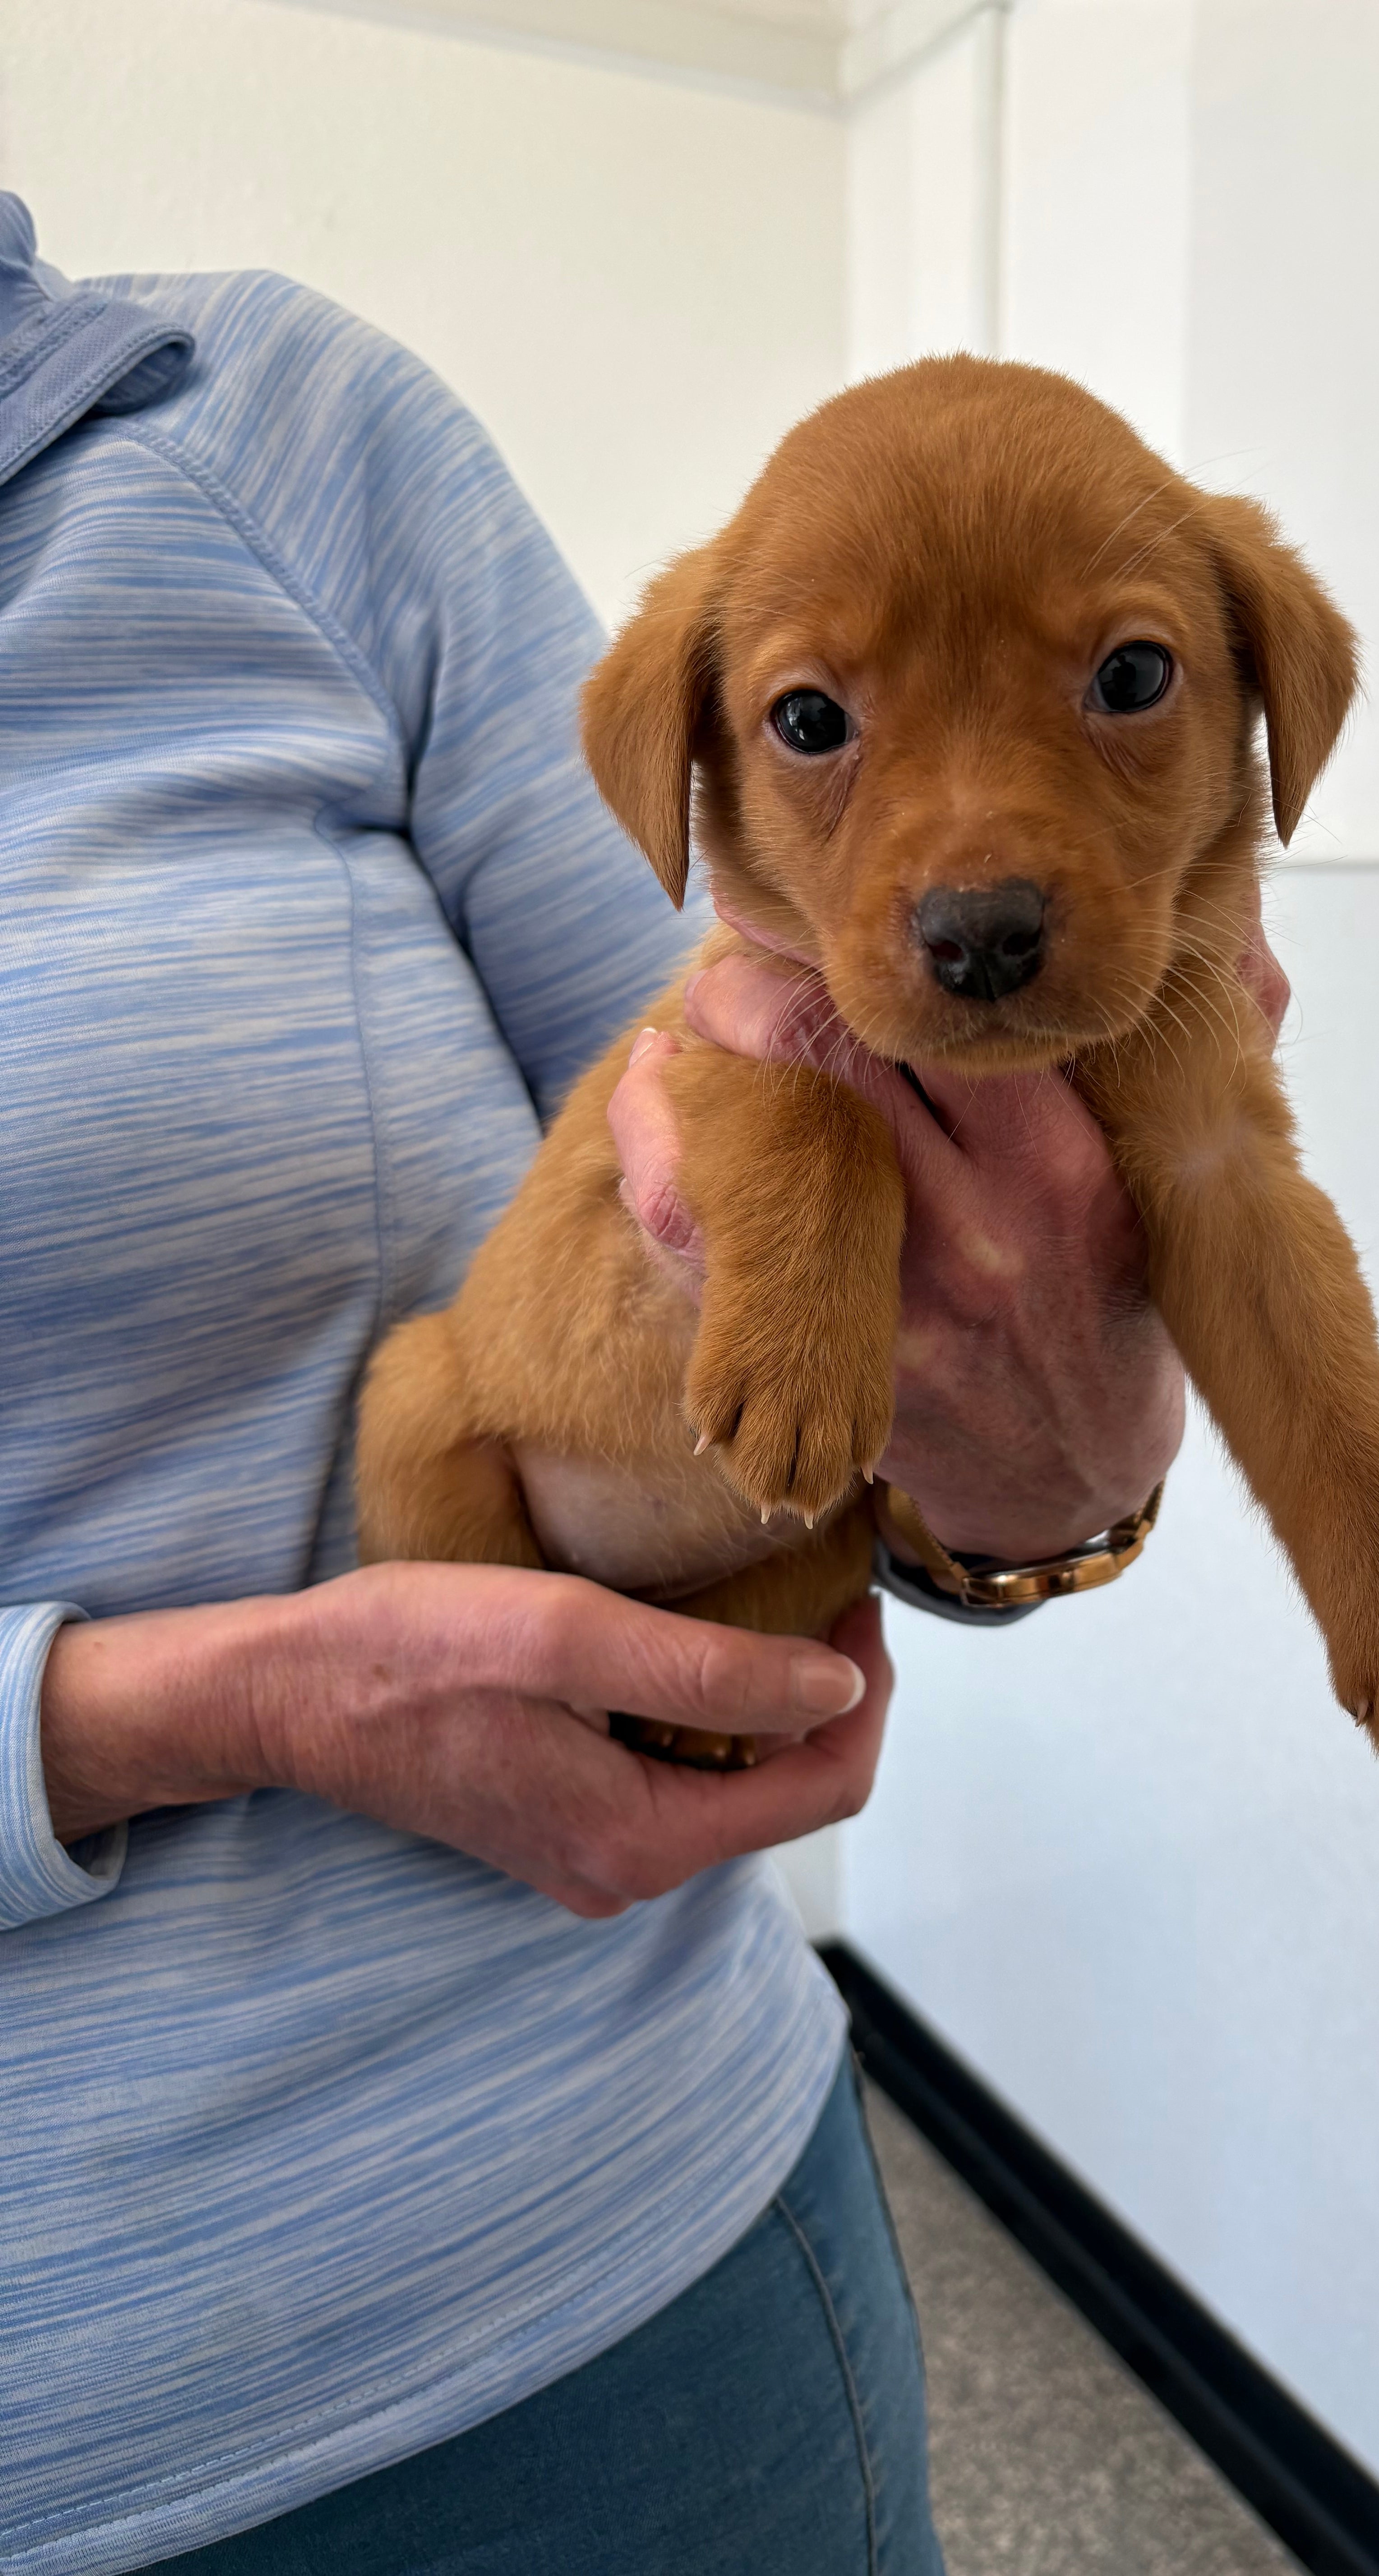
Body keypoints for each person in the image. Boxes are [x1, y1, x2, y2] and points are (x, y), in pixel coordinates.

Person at [0, 196, 1200, 2573]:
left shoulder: (256, 436)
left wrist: (1036, 1474)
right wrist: (162, 1709)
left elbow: (770, 1100)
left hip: (587, 2278)